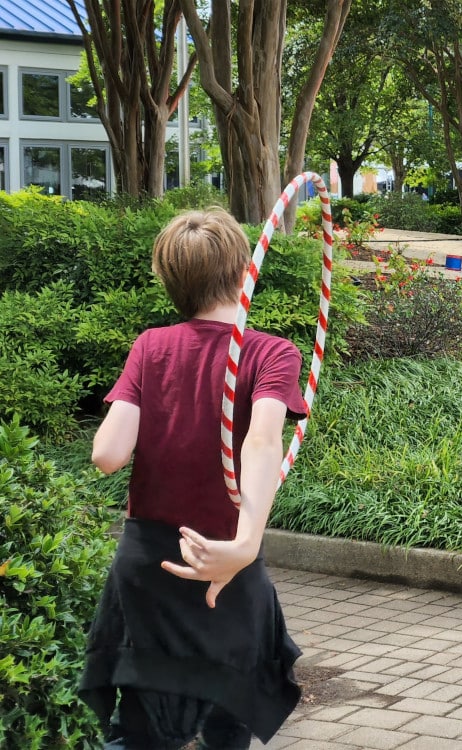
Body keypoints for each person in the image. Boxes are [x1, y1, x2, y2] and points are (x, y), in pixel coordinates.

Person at [80, 209, 308, 749]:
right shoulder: (271, 352)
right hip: (223, 558)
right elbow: (261, 441)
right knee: (227, 725)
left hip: (149, 563)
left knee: (138, 731)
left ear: (171, 282)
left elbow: (107, 454)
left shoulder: (150, 347)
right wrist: (245, 545)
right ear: (241, 272)